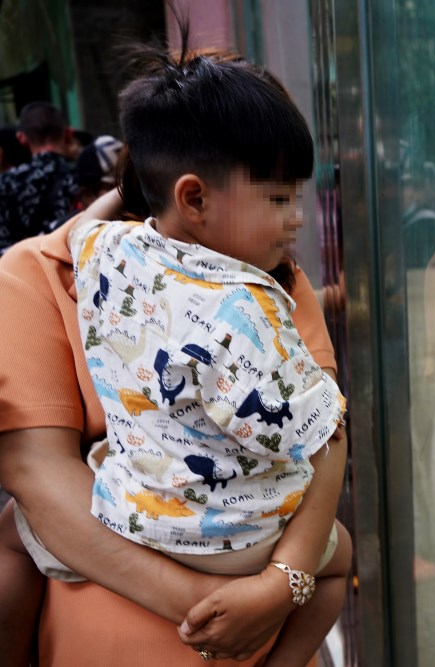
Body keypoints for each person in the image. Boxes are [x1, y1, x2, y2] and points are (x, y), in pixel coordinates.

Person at [0, 47, 352, 667]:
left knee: (10, 534)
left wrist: (277, 587)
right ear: (195, 193)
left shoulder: (105, 255)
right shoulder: (249, 298)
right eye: (278, 197)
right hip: (228, 573)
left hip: (153, 528)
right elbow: (322, 434)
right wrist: (244, 596)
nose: (294, 218)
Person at [0, 102, 78, 254]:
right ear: (68, 133)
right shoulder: (84, 177)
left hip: (25, 272)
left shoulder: (6, 183)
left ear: (22, 138)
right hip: (78, 270)